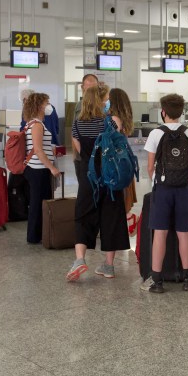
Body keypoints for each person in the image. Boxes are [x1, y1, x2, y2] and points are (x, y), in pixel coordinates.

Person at [67, 84, 129, 282]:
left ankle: (79, 259)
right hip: (110, 177)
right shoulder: (112, 121)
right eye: (107, 98)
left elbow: (79, 152)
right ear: (101, 100)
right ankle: (108, 265)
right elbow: (121, 147)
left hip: (88, 176)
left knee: (83, 215)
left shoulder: (78, 124)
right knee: (111, 217)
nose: (108, 102)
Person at [141, 93, 188, 293]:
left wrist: (159, 180)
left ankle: (157, 281)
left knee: (160, 233)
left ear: (163, 112)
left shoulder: (156, 134)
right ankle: (187, 280)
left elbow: (150, 167)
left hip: (163, 189)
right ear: (181, 112)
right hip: (183, 190)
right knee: (184, 234)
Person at [23, 93, 62, 244]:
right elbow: (38, 150)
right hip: (38, 169)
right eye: (46, 103)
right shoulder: (37, 125)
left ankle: (38, 234)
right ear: (39, 105)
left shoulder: (34, 123)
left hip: (36, 168)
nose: (49, 106)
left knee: (39, 201)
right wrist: (52, 167)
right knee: (38, 202)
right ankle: (34, 235)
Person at [108, 88, 138, 218]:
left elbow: (111, 141)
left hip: (116, 164)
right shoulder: (123, 118)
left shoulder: (113, 119)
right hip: (125, 161)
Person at [73, 73, 100, 182]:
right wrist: (81, 155)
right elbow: (75, 133)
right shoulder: (81, 105)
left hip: (99, 156)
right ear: (83, 88)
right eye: (88, 88)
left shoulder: (102, 105)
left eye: (93, 88)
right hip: (84, 156)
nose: (91, 92)